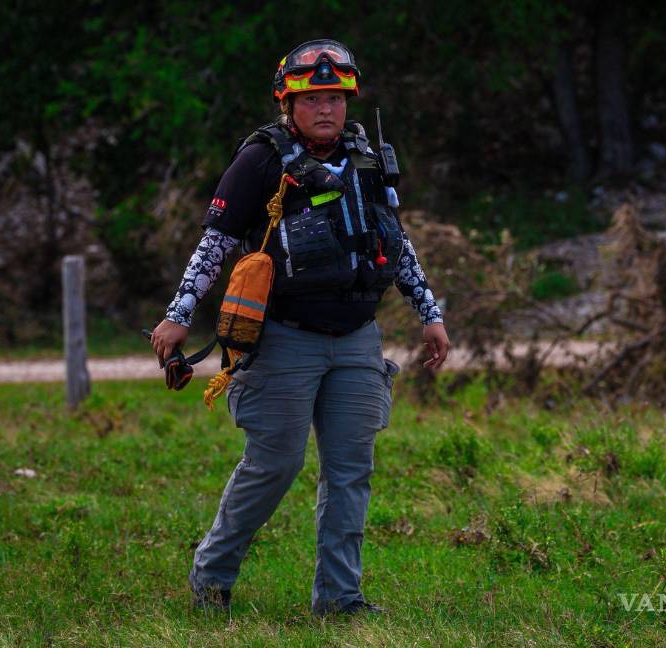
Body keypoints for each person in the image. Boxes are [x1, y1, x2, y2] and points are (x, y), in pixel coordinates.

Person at [150, 38, 450, 617]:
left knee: (350, 471)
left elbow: (396, 239)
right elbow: (214, 245)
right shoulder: (260, 160)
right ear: (289, 103)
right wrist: (179, 312)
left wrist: (430, 314)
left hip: (359, 338)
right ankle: (210, 582)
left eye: (335, 97)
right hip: (284, 338)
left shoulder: (368, 155)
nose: (326, 109)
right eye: (313, 98)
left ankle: (340, 601)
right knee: (275, 464)